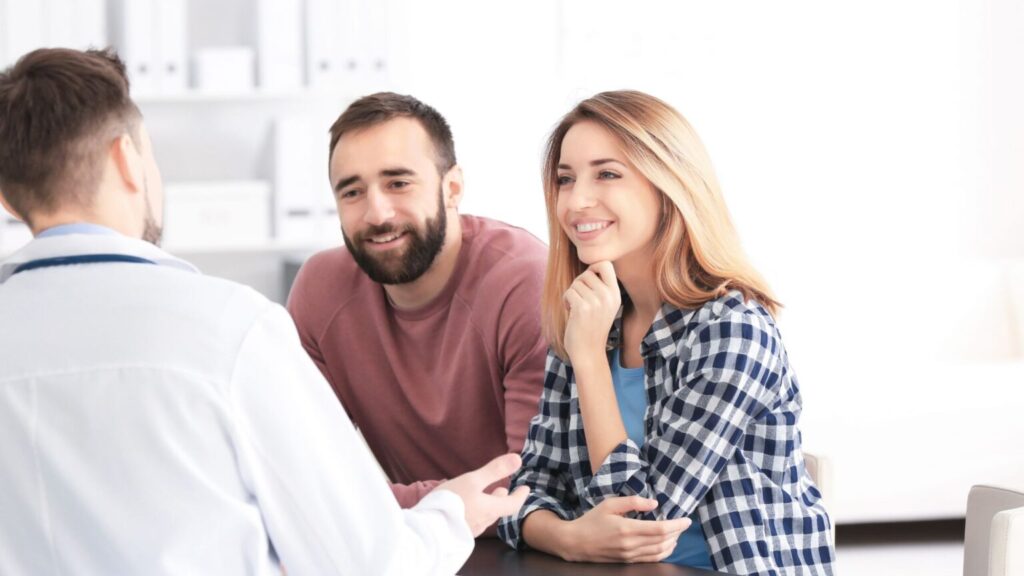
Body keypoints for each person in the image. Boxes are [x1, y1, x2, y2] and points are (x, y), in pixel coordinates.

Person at [0, 47, 527, 575]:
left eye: (398, 182)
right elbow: (363, 563)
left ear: (5, 196)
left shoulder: (515, 278)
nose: (376, 211)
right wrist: (449, 513)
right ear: (127, 160)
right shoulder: (230, 330)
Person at [497, 90, 835, 575]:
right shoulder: (589, 319)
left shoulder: (733, 330)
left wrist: (589, 361)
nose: (576, 201)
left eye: (607, 174)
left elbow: (642, 519)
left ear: (669, 184)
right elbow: (525, 493)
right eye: (565, 179)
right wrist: (568, 538)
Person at [286, 93, 548, 514]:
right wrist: (428, 507)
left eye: (398, 183)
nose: (377, 214)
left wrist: (372, 506)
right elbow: (298, 474)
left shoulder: (524, 282)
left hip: (524, 543)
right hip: (410, 539)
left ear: (452, 188)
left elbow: (530, 490)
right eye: (352, 192)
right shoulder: (321, 291)